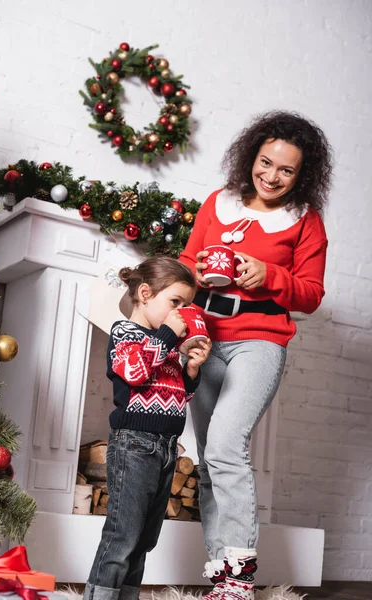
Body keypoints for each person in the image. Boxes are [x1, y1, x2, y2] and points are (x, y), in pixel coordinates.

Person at [179, 110, 333, 600]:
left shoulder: (305, 222)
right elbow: (187, 259)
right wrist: (192, 277)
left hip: (260, 341)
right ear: (252, 157)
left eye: (286, 171)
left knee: (226, 444)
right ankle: (220, 573)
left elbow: (310, 293)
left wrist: (269, 277)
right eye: (265, 163)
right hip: (204, 337)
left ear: (301, 176)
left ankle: (239, 577)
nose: (271, 176)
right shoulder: (217, 203)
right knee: (208, 460)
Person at [83, 256, 212, 600]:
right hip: (134, 445)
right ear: (144, 293)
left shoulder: (164, 346)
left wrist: (191, 373)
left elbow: (176, 396)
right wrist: (170, 334)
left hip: (167, 447)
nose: (182, 313)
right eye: (176, 303)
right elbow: (135, 373)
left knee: (145, 535)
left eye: (187, 306)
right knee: (123, 533)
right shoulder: (125, 333)